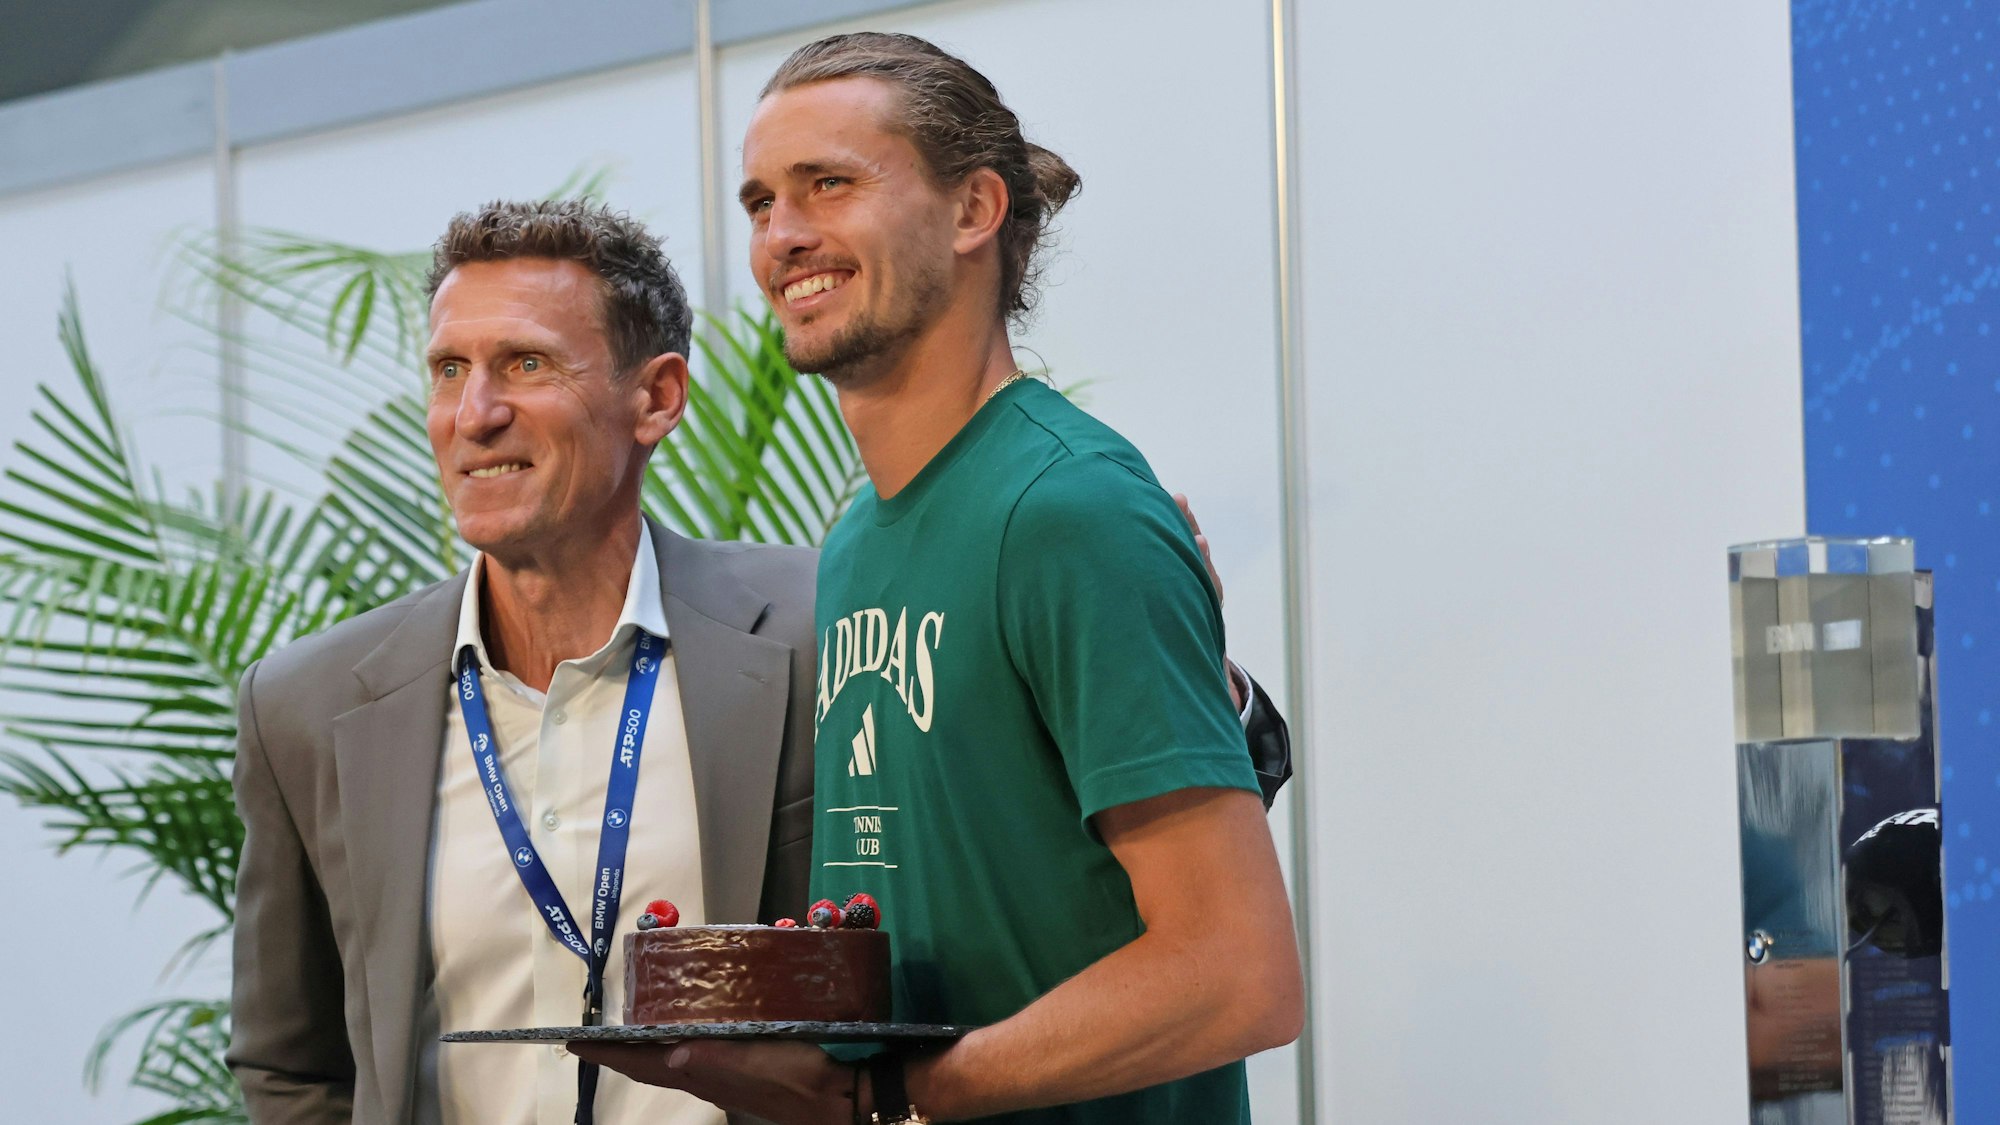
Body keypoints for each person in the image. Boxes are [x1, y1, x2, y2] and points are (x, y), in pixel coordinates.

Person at [226, 201, 1287, 1124]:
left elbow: (1043, 831)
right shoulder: (309, 706)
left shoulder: (828, 619)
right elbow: (292, 1060)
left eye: (527, 365)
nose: (475, 413)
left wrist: (1183, 658)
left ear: (657, 399)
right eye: (450, 369)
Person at [574, 31, 1303, 1125]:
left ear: (972, 211)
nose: (783, 236)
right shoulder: (857, 533)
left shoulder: (1070, 510)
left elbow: (1235, 974)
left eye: (829, 185)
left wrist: (907, 1101)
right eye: (760, 201)